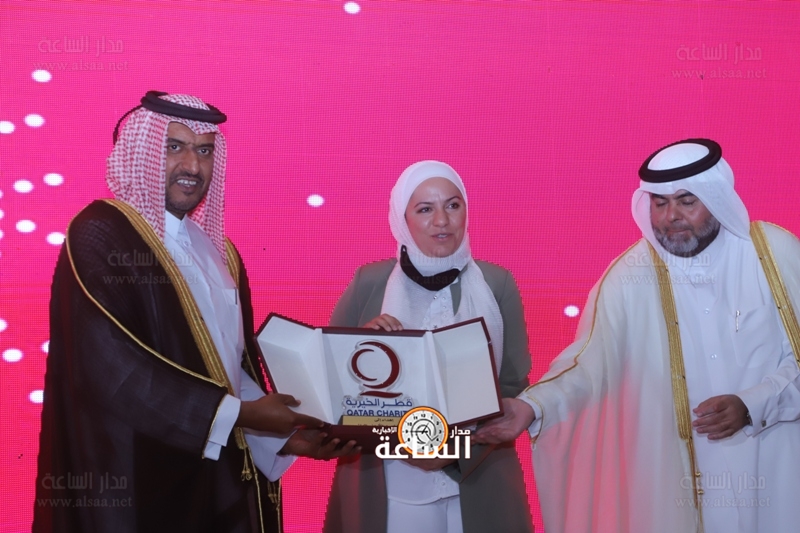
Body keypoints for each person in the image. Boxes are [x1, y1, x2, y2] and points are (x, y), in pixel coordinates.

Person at [34, 91, 355, 533]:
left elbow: (229, 369)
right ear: (141, 152)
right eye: (174, 147)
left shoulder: (219, 252)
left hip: (212, 481)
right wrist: (240, 416)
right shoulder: (102, 233)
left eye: (204, 151)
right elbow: (113, 370)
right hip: (134, 482)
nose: (192, 166)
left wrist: (285, 437)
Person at [474, 139, 800, 532]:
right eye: (660, 203)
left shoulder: (774, 254)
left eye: (687, 201)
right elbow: (589, 364)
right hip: (679, 487)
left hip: (776, 467)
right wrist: (532, 406)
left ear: (716, 198)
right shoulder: (631, 276)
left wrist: (753, 404)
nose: (671, 216)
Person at [323, 161, 533, 533]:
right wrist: (360, 351)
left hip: (476, 475)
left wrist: (454, 450)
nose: (442, 221)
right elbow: (327, 388)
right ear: (401, 218)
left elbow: (512, 387)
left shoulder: (497, 283)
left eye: (453, 205)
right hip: (390, 483)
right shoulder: (369, 283)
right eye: (425, 209)